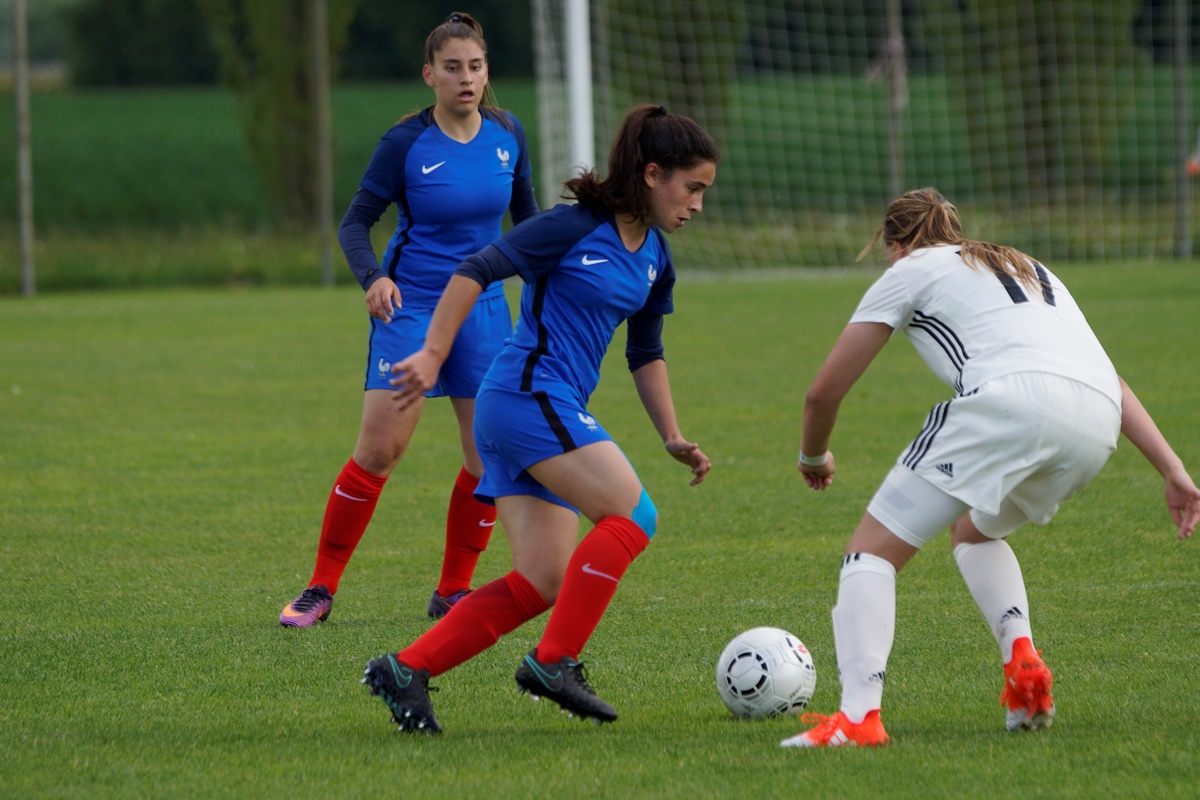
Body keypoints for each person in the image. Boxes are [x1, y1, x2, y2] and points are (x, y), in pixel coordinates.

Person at [780, 188, 1200, 748]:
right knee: (974, 530)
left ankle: (859, 719)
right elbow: (1109, 378)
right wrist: (1172, 468)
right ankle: (1023, 669)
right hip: (1096, 421)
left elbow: (822, 394)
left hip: (1013, 404)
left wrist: (814, 456)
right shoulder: (1028, 266)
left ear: (895, 244)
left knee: (871, 551)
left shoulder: (910, 269)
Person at [360, 104, 718, 734]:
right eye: (692, 188)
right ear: (653, 173)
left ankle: (406, 667)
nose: (696, 204)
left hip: (540, 405)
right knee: (635, 515)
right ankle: (556, 661)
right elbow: (476, 269)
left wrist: (671, 435)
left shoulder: (656, 257)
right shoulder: (573, 227)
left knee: (543, 579)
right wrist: (435, 352)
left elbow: (645, 351)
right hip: (528, 395)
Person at [279, 12, 538, 627]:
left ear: (485, 72)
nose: (466, 78)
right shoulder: (405, 145)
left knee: (487, 459)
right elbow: (354, 223)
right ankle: (320, 587)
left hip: (482, 312)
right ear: (430, 75)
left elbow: (526, 226)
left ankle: (452, 591)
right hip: (410, 310)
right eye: (452, 68)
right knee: (378, 452)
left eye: (475, 67)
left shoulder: (509, 134)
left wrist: (552, 282)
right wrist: (376, 278)